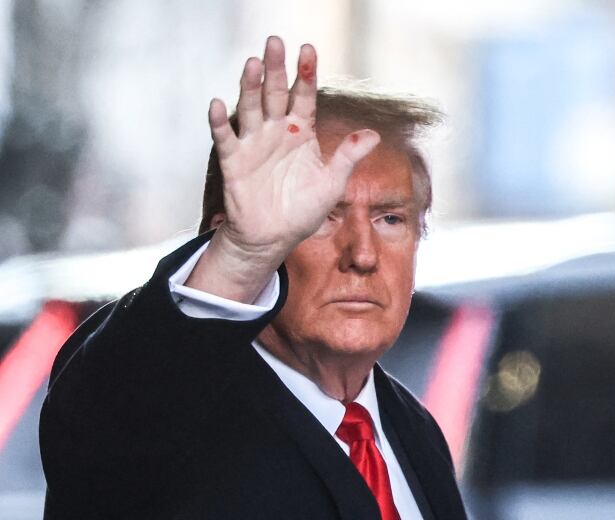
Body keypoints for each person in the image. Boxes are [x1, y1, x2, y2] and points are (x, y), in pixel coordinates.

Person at [39, 36, 467, 519]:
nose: (362, 255)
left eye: (390, 219)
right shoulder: (166, 416)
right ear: (231, 234)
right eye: (322, 216)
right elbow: (98, 423)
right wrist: (243, 255)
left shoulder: (415, 431)